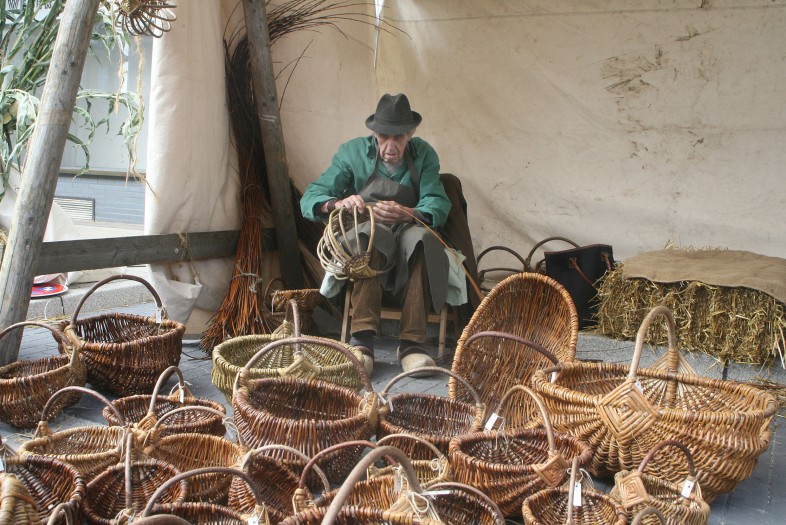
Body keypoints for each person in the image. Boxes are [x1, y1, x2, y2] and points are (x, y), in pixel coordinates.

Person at [300, 93, 452, 377]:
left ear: (411, 133)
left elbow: (437, 202)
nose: (390, 147)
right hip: (366, 229)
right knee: (371, 238)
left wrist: (409, 212)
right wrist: (338, 203)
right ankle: (362, 341)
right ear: (374, 133)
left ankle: (412, 345)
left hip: (407, 227)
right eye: (383, 137)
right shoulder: (352, 153)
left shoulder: (424, 154)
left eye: (399, 137)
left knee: (423, 241)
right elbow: (312, 197)